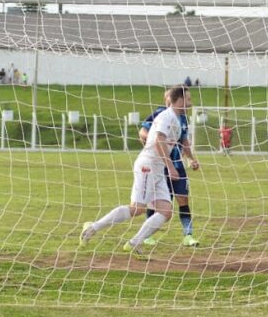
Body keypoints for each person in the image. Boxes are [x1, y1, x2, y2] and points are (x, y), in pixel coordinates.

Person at [80, 85, 188, 257]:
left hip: (158, 169)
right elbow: (159, 141)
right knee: (137, 208)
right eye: (188, 99)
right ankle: (92, 228)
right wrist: (171, 167)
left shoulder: (176, 118)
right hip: (148, 166)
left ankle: (135, 243)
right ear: (180, 100)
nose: (190, 103)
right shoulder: (167, 117)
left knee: (166, 211)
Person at [135, 93, 201, 247]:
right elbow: (143, 132)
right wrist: (150, 146)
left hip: (177, 165)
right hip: (159, 166)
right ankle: (148, 236)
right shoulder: (160, 114)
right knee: (155, 203)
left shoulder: (183, 119)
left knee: (183, 199)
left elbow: (184, 141)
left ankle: (188, 235)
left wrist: (191, 158)